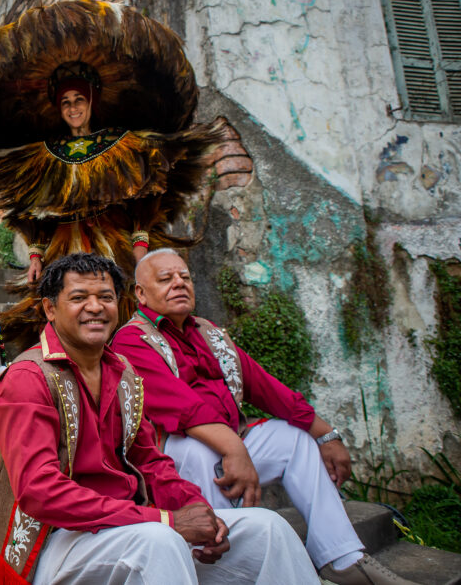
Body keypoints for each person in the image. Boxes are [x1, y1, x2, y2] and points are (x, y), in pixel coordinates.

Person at [0, 253, 318, 584]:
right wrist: (164, 520)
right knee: (160, 541)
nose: (95, 307)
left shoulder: (123, 373)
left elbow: (151, 463)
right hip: (54, 542)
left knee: (268, 528)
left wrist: (198, 511)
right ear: (50, 309)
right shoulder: (28, 378)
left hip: (131, 527)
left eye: (106, 297)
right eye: (78, 298)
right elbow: (40, 492)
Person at [111, 248, 417, 585]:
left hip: (230, 440)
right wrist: (235, 450)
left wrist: (326, 434)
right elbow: (184, 408)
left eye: (184, 277)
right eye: (166, 279)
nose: (179, 284)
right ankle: (219, 562)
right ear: (141, 293)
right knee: (198, 451)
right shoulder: (132, 339)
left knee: (294, 439)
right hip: (176, 449)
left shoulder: (209, 333)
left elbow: (265, 387)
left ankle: (341, 557)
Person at [0, 1, 221, 347]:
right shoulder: (43, 156)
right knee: (63, 311)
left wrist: (140, 247)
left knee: (123, 312)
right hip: (62, 249)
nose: (73, 109)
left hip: (116, 244)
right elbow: (33, 213)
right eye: (65, 103)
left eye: (79, 99)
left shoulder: (127, 145)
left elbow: (147, 201)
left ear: (92, 100)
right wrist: (35, 255)